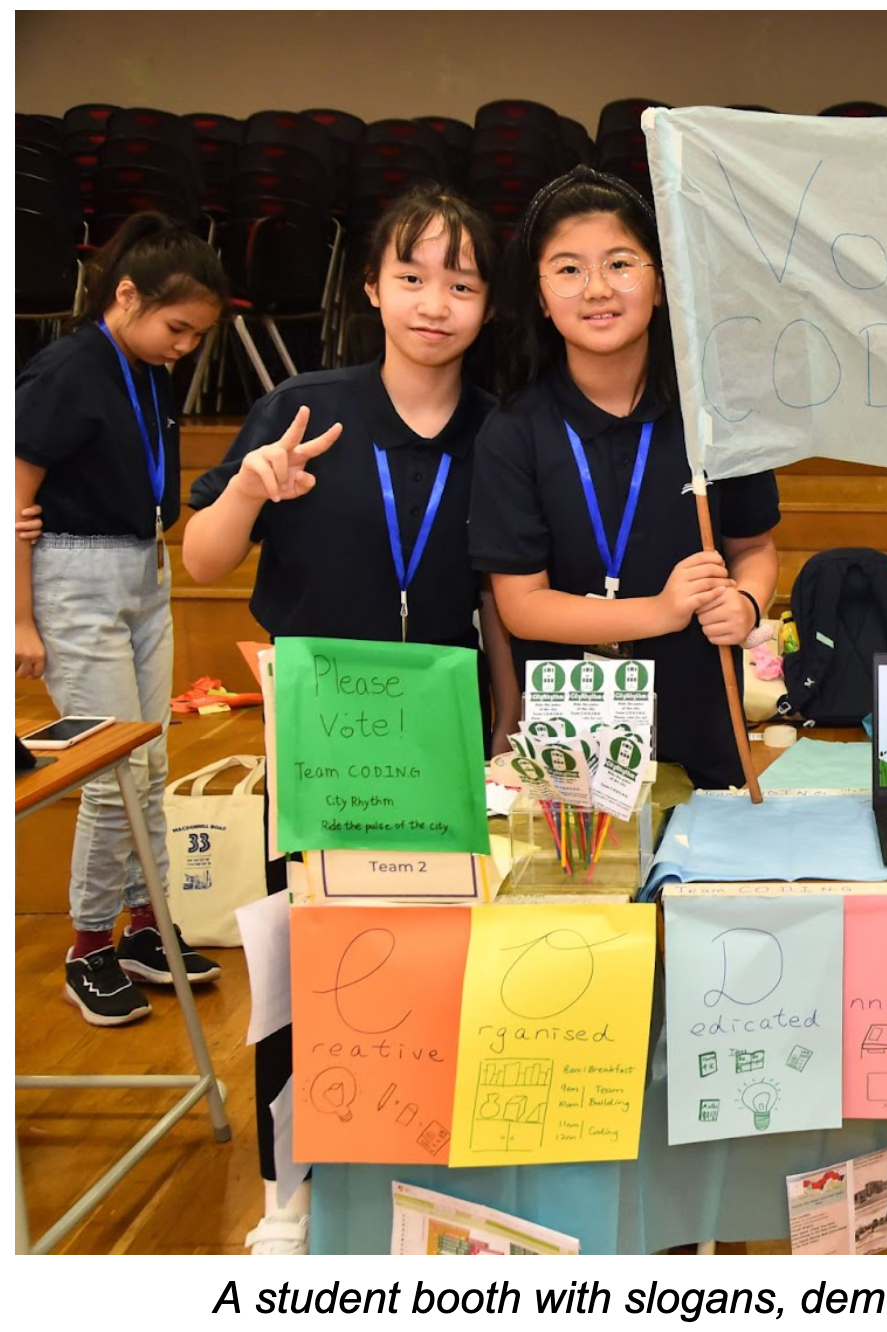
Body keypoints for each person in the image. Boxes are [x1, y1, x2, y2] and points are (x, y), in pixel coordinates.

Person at [183, 185, 517, 1255]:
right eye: (412, 277)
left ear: (486, 304)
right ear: (370, 287)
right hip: (324, 742)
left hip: (448, 738)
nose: (434, 303)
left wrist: (506, 728)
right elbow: (202, 559)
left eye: (460, 283)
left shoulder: (499, 434)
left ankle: (419, 1157)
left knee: (432, 961)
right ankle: (292, 1183)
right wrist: (249, 486)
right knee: (306, 959)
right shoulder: (305, 409)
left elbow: (498, 602)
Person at [471, 166, 779, 793]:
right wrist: (660, 611)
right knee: (590, 884)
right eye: (567, 269)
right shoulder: (513, 431)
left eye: (619, 263)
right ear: (539, 295)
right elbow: (522, 607)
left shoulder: (715, 414)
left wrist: (746, 604)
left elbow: (754, 548)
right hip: (571, 733)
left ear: (661, 285)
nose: (595, 289)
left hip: (699, 716)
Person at [15, 212, 230, 1028]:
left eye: (196, 337)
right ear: (128, 295)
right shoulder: (68, 368)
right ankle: (87, 947)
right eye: (176, 327)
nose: (183, 347)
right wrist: (21, 617)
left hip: (143, 566)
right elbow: (14, 491)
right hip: (75, 575)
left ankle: (146, 927)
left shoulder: (145, 366)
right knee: (109, 777)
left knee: (151, 761)